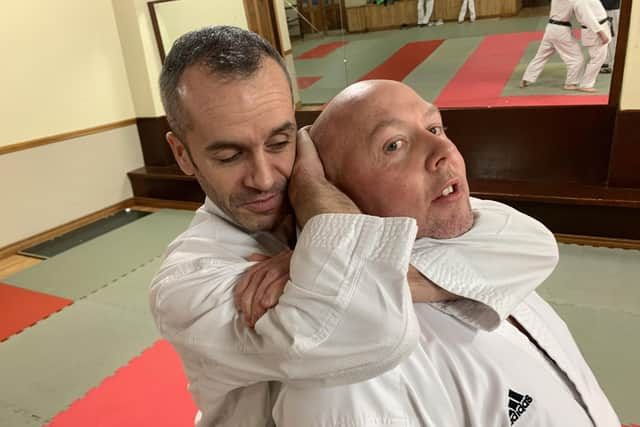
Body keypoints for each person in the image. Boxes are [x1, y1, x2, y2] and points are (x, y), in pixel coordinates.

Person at [150, 26, 569, 426]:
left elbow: (530, 244)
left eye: (280, 142)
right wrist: (331, 224)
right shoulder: (190, 281)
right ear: (183, 155)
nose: (263, 177)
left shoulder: (329, 184)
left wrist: (319, 257)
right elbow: (368, 329)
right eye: (229, 156)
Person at [269, 79, 620, 426]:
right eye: (394, 145)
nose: (443, 150)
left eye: (435, 126)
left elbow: (537, 240)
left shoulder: (483, 242)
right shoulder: (350, 380)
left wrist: (369, 268)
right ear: (334, 194)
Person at [520, 0, 584, 90]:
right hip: (562, 31)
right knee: (576, 58)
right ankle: (571, 83)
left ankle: (526, 79)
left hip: (550, 28)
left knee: (541, 56)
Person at [574, 0, 612, 92]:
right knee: (597, 58)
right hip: (595, 31)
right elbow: (589, 19)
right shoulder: (581, 2)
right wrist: (601, 33)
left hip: (601, 26)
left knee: (599, 58)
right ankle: (585, 84)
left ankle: (585, 83)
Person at [599, 0, 620, 73]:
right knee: (604, 37)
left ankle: (613, 64)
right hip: (603, 10)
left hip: (612, 10)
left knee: (613, 38)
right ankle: (606, 61)